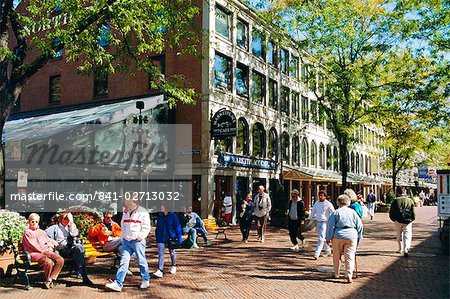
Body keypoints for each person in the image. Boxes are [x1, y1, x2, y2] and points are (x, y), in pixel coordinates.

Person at [106, 199, 151, 292]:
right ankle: (118, 283)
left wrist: (140, 236)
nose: (125, 203)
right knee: (124, 261)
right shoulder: (125, 212)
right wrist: (123, 237)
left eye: (127, 202)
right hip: (127, 241)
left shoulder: (143, 212)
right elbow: (123, 225)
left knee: (141, 261)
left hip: (137, 241)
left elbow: (146, 227)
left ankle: (145, 279)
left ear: (134, 202)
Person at [45, 212, 93, 285]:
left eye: (68, 219)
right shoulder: (55, 228)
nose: (67, 221)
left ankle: (81, 271)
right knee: (79, 253)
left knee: (78, 249)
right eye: (66, 219)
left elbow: (74, 234)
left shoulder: (70, 227)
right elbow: (44, 236)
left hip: (70, 250)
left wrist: (71, 224)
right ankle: (83, 275)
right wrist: (52, 241)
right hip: (60, 250)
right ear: (61, 220)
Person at [326, 194, 363, 283]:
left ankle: (336, 274)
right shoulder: (353, 212)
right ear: (348, 202)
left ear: (338, 203)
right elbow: (360, 226)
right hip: (352, 235)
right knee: (350, 256)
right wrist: (359, 237)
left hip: (338, 235)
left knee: (336, 256)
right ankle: (349, 275)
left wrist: (328, 238)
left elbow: (330, 226)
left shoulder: (336, 212)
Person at [22, 213, 64, 289]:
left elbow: (47, 239)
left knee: (60, 260)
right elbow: (33, 245)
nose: (34, 223)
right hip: (34, 253)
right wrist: (45, 250)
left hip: (46, 251)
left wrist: (52, 243)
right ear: (29, 222)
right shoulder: (27, 232)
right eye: (32, 221)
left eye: (36, 222)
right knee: (48, 262)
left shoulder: (41, 232)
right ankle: (48, 279)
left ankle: (51, 279)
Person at [153, 205, 182, 278]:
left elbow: (178, 228)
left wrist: (179, 240)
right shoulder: (160, 216)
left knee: (172, 252)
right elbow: (158, 227)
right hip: (161, 237)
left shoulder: (173, 216)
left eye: (162, 207)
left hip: (171, 237)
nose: (161, 208)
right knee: (161, 254)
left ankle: (174, 265)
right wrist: (157, 236)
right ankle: (160, 270)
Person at [306, 190, 334, 259]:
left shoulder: (328, 204)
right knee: (322, 237)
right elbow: (313, 211)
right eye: (319, 195)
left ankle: (317, 253)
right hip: (318, 222)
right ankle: (328, 251)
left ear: (325, 196)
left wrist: (332, 221)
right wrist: (309, 218)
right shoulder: (317, 203)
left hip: (325, 222)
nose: (320, 197)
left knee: (321, 238)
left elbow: (333, 212)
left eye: (322, 196)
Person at [389, 186, 415, 257]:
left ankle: (400, 248)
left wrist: (394, 219)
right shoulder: (409, 200)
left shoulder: (395, 201)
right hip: (408, 220)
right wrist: (412, 219)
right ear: (404, 192)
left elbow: (391, 212)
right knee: (407, 234)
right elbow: (413, 212)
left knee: (398, 234)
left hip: (398, 220)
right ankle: (406, 249)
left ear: (397, 192)